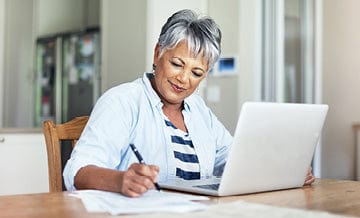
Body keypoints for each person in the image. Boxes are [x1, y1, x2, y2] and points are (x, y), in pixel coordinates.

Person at [63, 9, 315, 197]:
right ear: (157, 53)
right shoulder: (122, 102)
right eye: (177, 64)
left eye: (196, 73)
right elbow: (77, 172)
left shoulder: (199, 110)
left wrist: (283, 170)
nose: (184, 79)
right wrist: (120, 180)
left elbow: (232, 160)